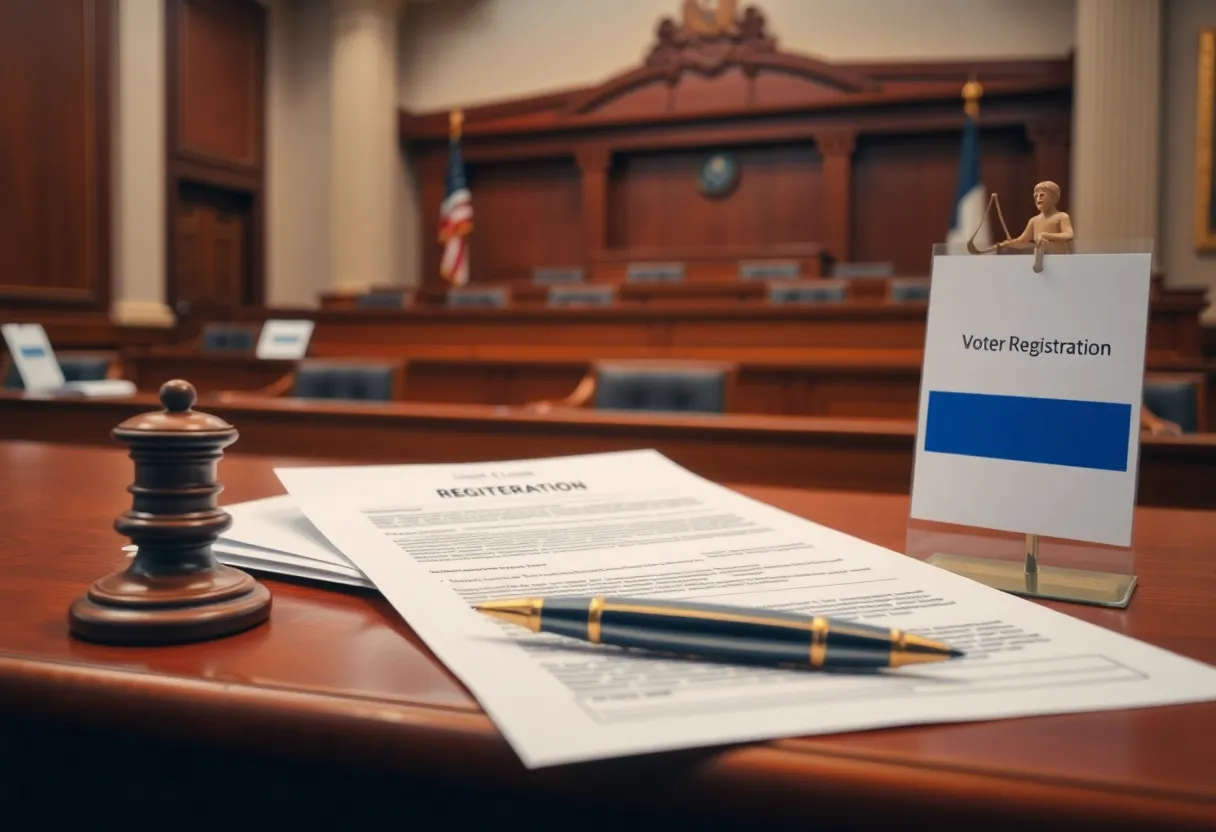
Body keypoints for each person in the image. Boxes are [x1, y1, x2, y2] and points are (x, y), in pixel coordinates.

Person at [997, 181, 1074, 254]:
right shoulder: (1034, 220)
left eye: (1042, 195)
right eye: (1036, 196)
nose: (1038, 199)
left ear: (1053, 197)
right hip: (1041, 260)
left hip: (1060, 259)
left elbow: (1069, 235)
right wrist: (1009, 244)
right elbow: (1022, 241)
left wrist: (1046, 235)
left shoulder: (1062, 216)